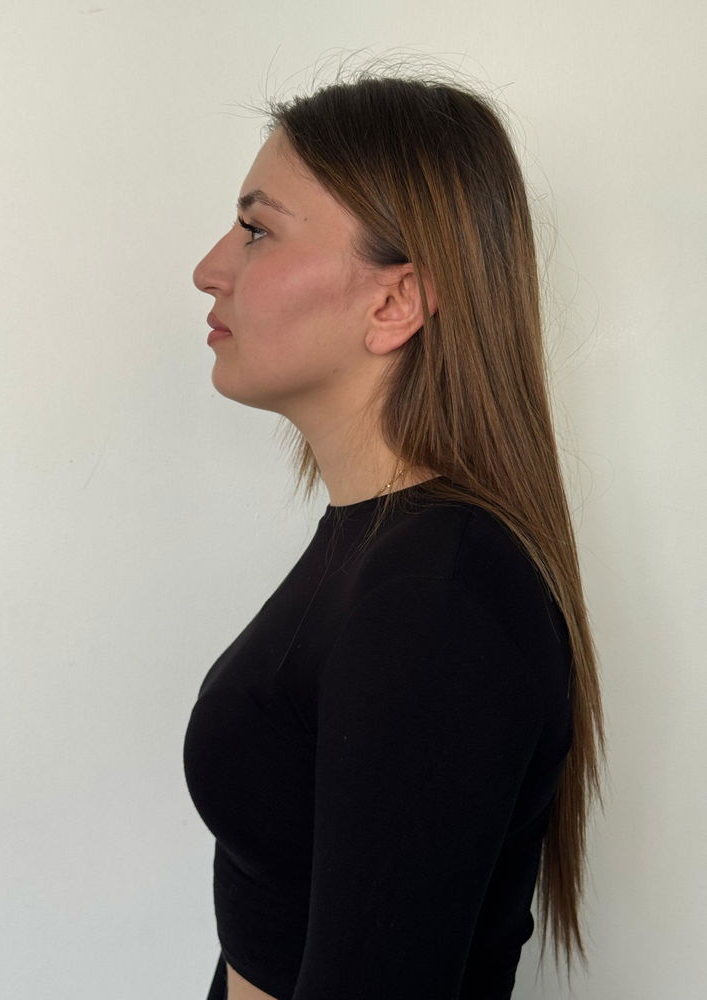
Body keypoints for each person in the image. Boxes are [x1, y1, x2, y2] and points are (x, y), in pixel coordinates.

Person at [184, 67, 606, 1000]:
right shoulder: (378, 551)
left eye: (257, 231)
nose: (211, 267)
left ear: (394, 304)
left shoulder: (436, 603)